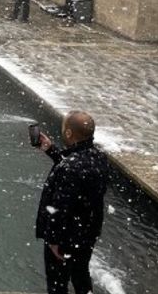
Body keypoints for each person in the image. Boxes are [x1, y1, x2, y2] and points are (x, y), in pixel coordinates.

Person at [34, 111, 109, 294]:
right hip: (86, 234)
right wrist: (51, 150)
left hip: (66, 237)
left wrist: (53, 241)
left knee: (57, 284)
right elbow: (78, 173)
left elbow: (59, 208)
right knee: (80, 274)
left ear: (68, 133)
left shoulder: (70, 167)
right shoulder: (98, 157)